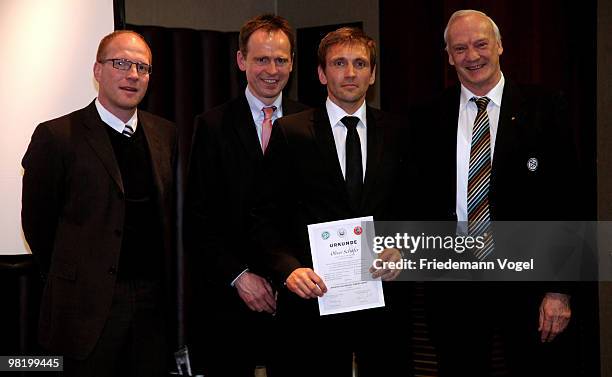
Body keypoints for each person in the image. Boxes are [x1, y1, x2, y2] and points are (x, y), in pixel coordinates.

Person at [419, 9, 579, 376]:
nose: (472, 56)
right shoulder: (427, 116)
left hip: (528, 283)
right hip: (453, 285)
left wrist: (560, 289)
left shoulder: (545, 108)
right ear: (448, 56)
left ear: (500, 46)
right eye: (460, 48)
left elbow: (568, 202)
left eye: (480, 44)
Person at [252, 27, 411, 376]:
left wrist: (401, 248)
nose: (350, 73)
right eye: (339, 63)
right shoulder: (290, 132)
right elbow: (266, 217)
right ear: (322, 73)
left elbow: (411, 208)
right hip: (315, 299)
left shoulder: (400, 132)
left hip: (383, 300)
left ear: (372, 74)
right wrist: (288, 270)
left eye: (360, 63)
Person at [21, 30, 176, 377]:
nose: (132, 75)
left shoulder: (167, 134)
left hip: (153, 307)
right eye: (120, 63)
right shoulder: (57, 136)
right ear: (97, 70)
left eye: (142, 67)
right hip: (84, 309)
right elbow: (38, 224)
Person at [183, 14, 307, 376]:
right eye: (261, 59)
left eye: (281, 59)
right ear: (242, 61)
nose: (272, 69)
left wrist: (290, 273)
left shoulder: (311, 123)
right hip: (229, 300)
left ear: (292, 63)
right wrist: (240, 276)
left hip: (296, 300)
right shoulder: (211, 125)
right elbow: (198, 216)